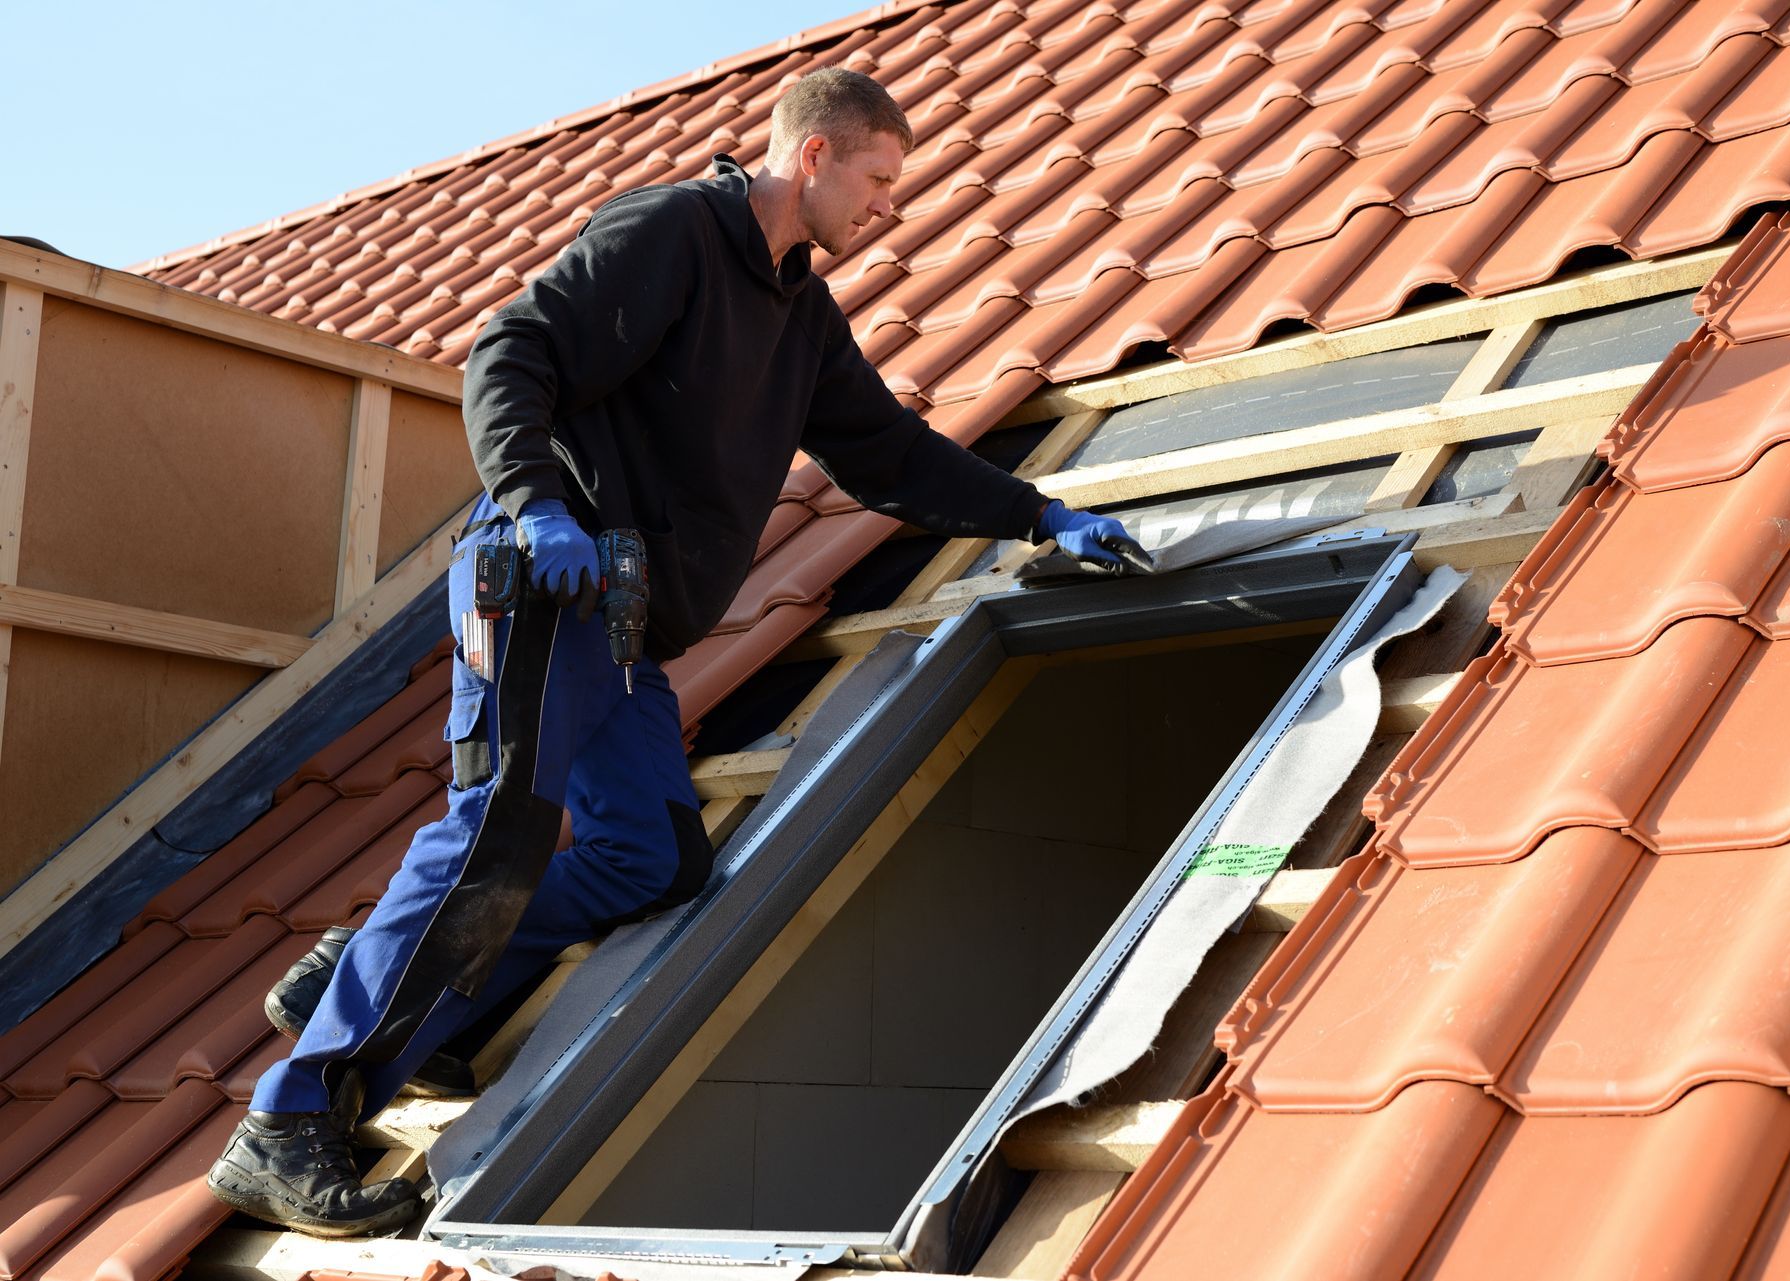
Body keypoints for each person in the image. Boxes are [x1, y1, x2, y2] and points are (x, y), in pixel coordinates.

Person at [204, 67, 1149, 1237]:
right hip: (550, 578)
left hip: (626, 628)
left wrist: (1039, 514)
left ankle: (390, 981)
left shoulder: (798, 317)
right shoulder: (673, 233)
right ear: (812, 154)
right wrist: (537, 503)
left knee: (652, 858)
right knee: (497, 834)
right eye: (879, 178)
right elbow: (511, 351)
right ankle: (289, 1122)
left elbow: (892, 454)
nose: (888, 206)